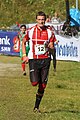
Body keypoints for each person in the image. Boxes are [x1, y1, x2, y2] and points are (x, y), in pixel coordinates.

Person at [22, 11, 56, 112]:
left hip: (45, 60)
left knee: (43, 85)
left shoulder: (50, 32)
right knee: (34, 82)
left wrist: (51, 47)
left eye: (43, 20)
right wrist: (24, 56)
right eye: (39, 20)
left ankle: (36, 107)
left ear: (45, 20)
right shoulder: (30, 31)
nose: (41, 22)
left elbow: (52, 47)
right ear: (36, 20)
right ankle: (36, 80)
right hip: (34, 60)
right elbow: (23, 42)